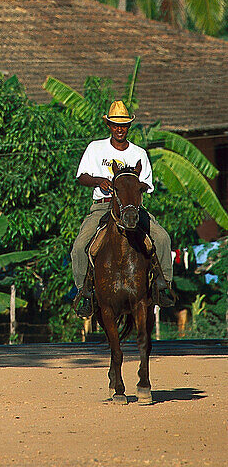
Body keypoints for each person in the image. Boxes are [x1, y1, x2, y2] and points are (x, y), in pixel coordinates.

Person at [71, 99, 173, 318]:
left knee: (162, 238)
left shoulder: (139, 154)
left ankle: (164, 286)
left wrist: (132, 187)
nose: (119, 129)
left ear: (129, 127)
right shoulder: (95, 148)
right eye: (115, 124)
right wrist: (99, 180)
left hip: (132, 208)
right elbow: (82, 177)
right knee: (80, 247)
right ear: (109, 125)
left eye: (124, 125)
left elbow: (147, 184)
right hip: (103, 207)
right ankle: (84, 292)